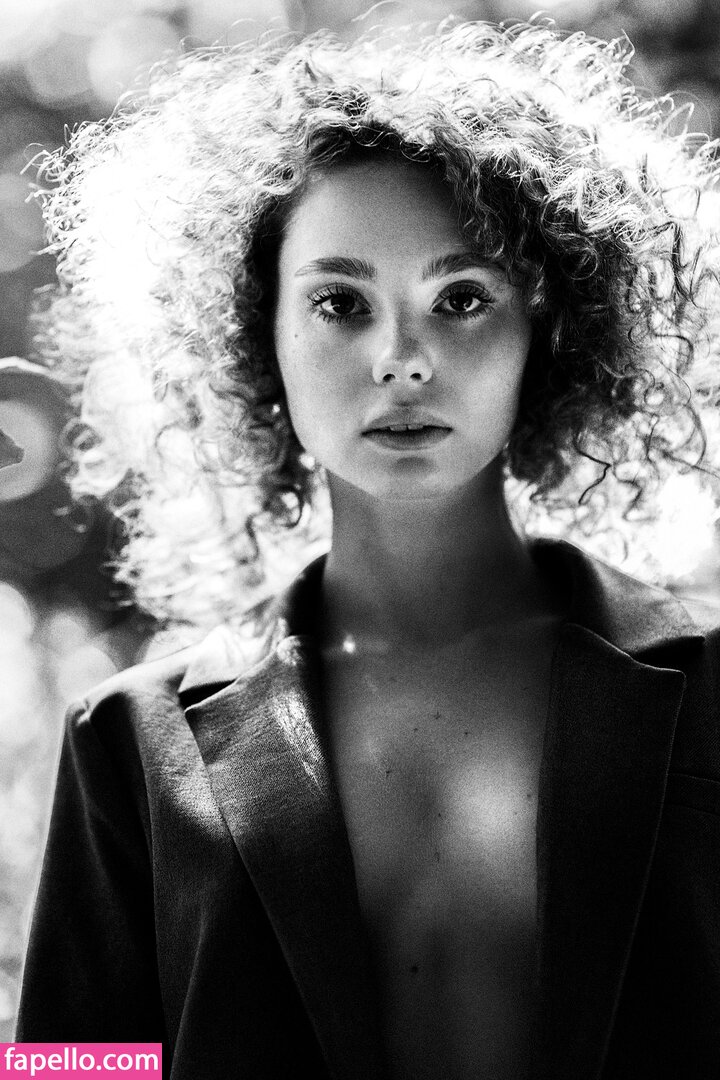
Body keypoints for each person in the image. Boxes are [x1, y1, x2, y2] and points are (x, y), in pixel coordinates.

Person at [15, 20, 720, 1080]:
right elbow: (71, 1067)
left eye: (462, 299)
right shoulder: (130, 744)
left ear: (548, 328)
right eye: (340, 303)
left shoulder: (710, 693)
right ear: (260, 332)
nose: (402, 358)